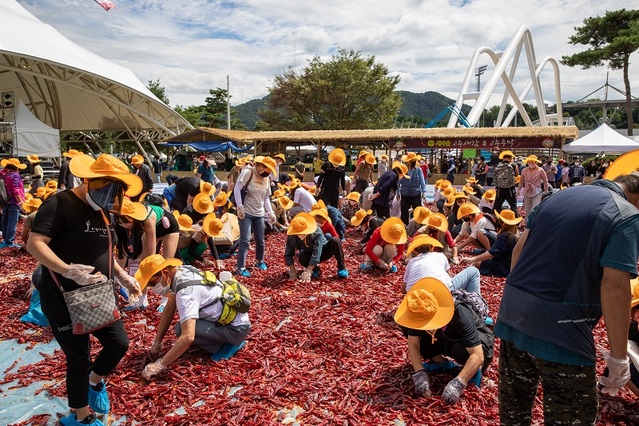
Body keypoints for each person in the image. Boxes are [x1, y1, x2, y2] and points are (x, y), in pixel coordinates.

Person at [495, 173, 639, 425]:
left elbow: (519, 251)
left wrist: (520, 302)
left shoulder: (556, 197)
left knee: (514, 413)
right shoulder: (625, 214)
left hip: (513, 317)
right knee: (571, 415)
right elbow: (615, 287)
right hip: (563, 332)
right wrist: (618, 358)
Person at [26, 153, 142, 426]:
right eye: (106, 188)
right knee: (78, 356)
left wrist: (124, 277)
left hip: (97, 293)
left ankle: (95, 381)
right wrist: (68, 271)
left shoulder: (102, 211)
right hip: (62, 294)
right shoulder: (60, 203)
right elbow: (35, 243)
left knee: (118, 343)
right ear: (89, 180)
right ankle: (81, 414)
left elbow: (104, 251)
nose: (111, 196)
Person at [140, 255, 250, 380]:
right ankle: (223, 339)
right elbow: (170, 308)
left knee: (183, 331)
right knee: (180, 328)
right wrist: (157, 341)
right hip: (234, 321)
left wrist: (160, 365)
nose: (151, 287)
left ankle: (227, 346)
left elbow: (188, 337)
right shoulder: (183, 271)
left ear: (164, 273)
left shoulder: (186, 292)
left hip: (236, 330)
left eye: (152, 283)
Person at [395, 277, 493, 405]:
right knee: (410, 331)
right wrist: (419, 374)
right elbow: (413, 344)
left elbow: (477, 355)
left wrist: (459, 383)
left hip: (475, 344)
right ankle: (441, 363)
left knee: (461, 351)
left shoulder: (458, 312)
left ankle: (473, 372)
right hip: (445, 339)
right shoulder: (418, 311)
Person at [234, 156, 277, 277]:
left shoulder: (266, 179)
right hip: (246, 212)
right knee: (245, 240)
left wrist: (270, 212)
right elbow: (237, 190)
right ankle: (240, 268)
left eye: (269, 171)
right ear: (259, 165)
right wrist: (240, 206)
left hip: (259, 214)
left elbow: (266, 197)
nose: (267, 173)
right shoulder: (248, 173)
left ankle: (259, 261)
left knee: (260, 240)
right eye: (266, 169)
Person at [403, 235, 481, 295]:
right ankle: (475, 306)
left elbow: (403, 289)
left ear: (415, 251)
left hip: (416, 297)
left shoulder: (412, 262)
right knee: (473, 271)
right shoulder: (440, 256)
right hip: (442, 294)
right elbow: (449, 278)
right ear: (432, 248)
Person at [285, 212, 348, 281]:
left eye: (303, 232)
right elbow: (288, 254)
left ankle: (342, 268)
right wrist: (292, 270)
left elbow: (317, 251)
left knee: (335, 241)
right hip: (308, 253)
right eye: (298, 233)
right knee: (301, 257)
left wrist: (308, 270)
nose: (301, 235)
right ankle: (315, 270)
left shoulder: (316, 231)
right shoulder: (292, 236)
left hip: (324, 251)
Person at [462, 209, 520, 278]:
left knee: (477, 263)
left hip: (504, 267)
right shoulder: (517, 235)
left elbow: (491, 254)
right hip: (514, 266)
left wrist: (473, 259)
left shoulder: (504, 237)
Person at [0, 158, 27, 248]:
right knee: (12, 221)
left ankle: (5, 240)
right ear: (16, 167)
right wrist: (20, 202)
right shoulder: (14, 176)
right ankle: (9, 242)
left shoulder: (2, 174)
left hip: (4, 200)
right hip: (13, 201)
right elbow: (16, 190)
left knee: (5, 220)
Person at [399, 152, 428, 225]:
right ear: (408, 162)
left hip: (415, 194)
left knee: (417, 212)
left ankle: (417, 226)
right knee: (404, 212)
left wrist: (423, 193)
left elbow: (422, 182)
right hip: (405, 193)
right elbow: (399, 181)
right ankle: (405, 227)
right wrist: (397, 192)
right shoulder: (403, 170)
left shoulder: (418, 170)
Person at [492, 150, 519, 215]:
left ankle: (493, 220)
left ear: (503, 158)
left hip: (500, 189)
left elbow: (495, 177)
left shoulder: (498, 166)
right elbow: (516, 175)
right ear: (510, 158)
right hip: (510, 189)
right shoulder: (514, 165)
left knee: (496, 207)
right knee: (513, 207)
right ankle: (516, 222)